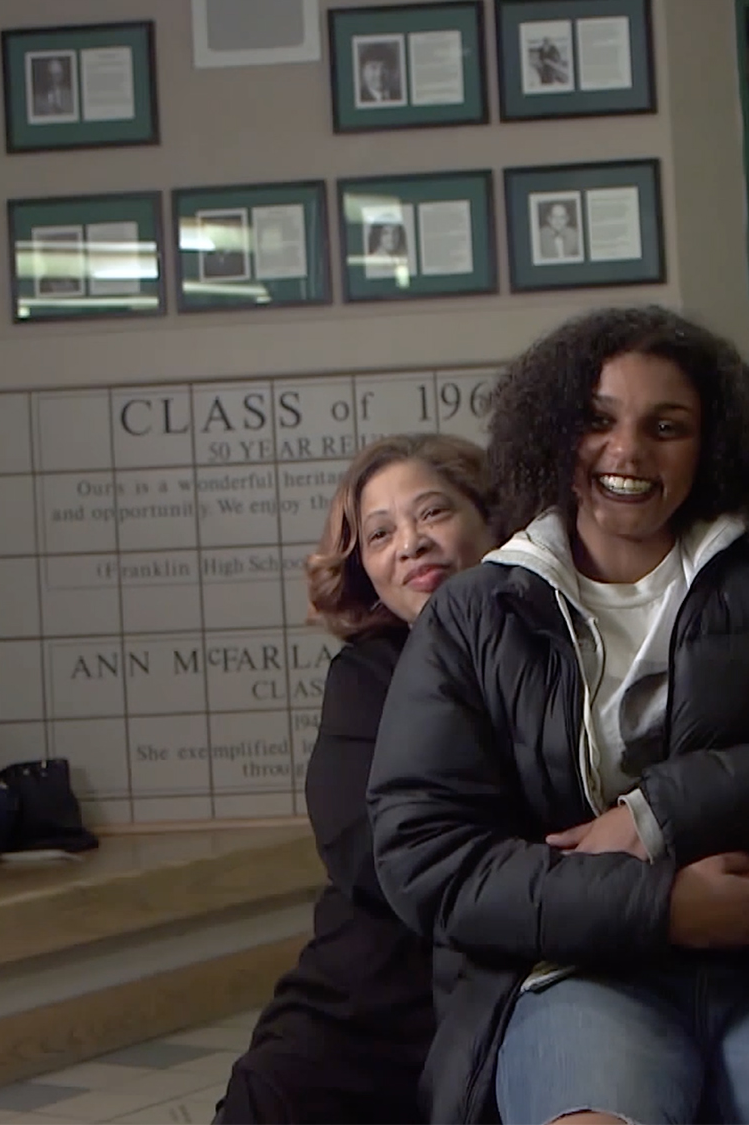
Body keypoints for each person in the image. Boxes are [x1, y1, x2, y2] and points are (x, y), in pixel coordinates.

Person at [365, 306, 749, 1125]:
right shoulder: (477, 613)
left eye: (668, 426)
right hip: (576, 970)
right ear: (556, 429)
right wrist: (660, 906)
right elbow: (426, 856)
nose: (627, 452)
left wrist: (664, 810)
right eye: (598, 420)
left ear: (713, 443)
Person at [217, 434, 499, 1125]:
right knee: (277, 1087)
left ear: (493, 519)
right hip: (378, 978)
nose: (410, 544)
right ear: (367, 570)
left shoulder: (560, 648)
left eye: (432, 513)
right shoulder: (367, 674)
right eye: (381, 534)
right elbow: (364, 845)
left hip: (523, 971)